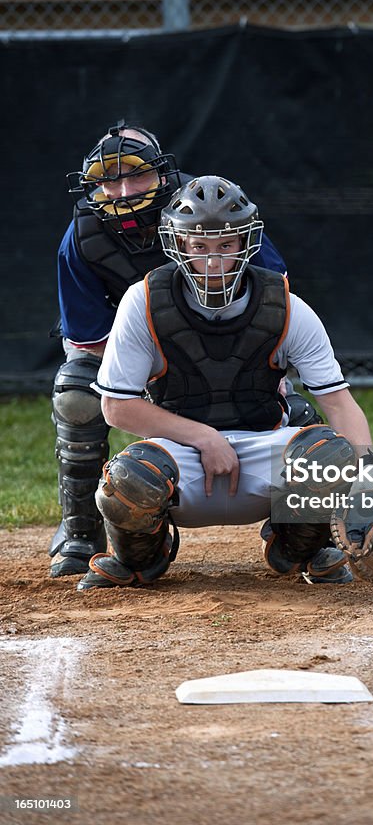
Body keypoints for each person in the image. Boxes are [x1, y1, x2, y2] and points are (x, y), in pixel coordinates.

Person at [73, 174, 373, 592]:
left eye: (226, 245)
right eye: (199, 246)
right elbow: (116, 407)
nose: (212, 261)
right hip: (181, 455)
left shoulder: (287, 307)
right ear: (177, 244)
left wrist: (370, 489)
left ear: (246, 243)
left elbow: (339, 404)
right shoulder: (144, 300)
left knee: (332, 457)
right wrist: (203, 437)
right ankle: (140, 560)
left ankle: (296, 549)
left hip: (263, 445)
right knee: (127, 480)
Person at [49, 122, 317, 580]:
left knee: (299, 419)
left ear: (162, 175)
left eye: (137, 175)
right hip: (140, 350)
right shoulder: (83, 236)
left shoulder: (212, 206)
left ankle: (296, 531)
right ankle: (81, 530)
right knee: (76, 393)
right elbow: (89, 338)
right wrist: (158, 369)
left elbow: (273, 301)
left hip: (236, 344)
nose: (123, 191)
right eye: (108, 180)